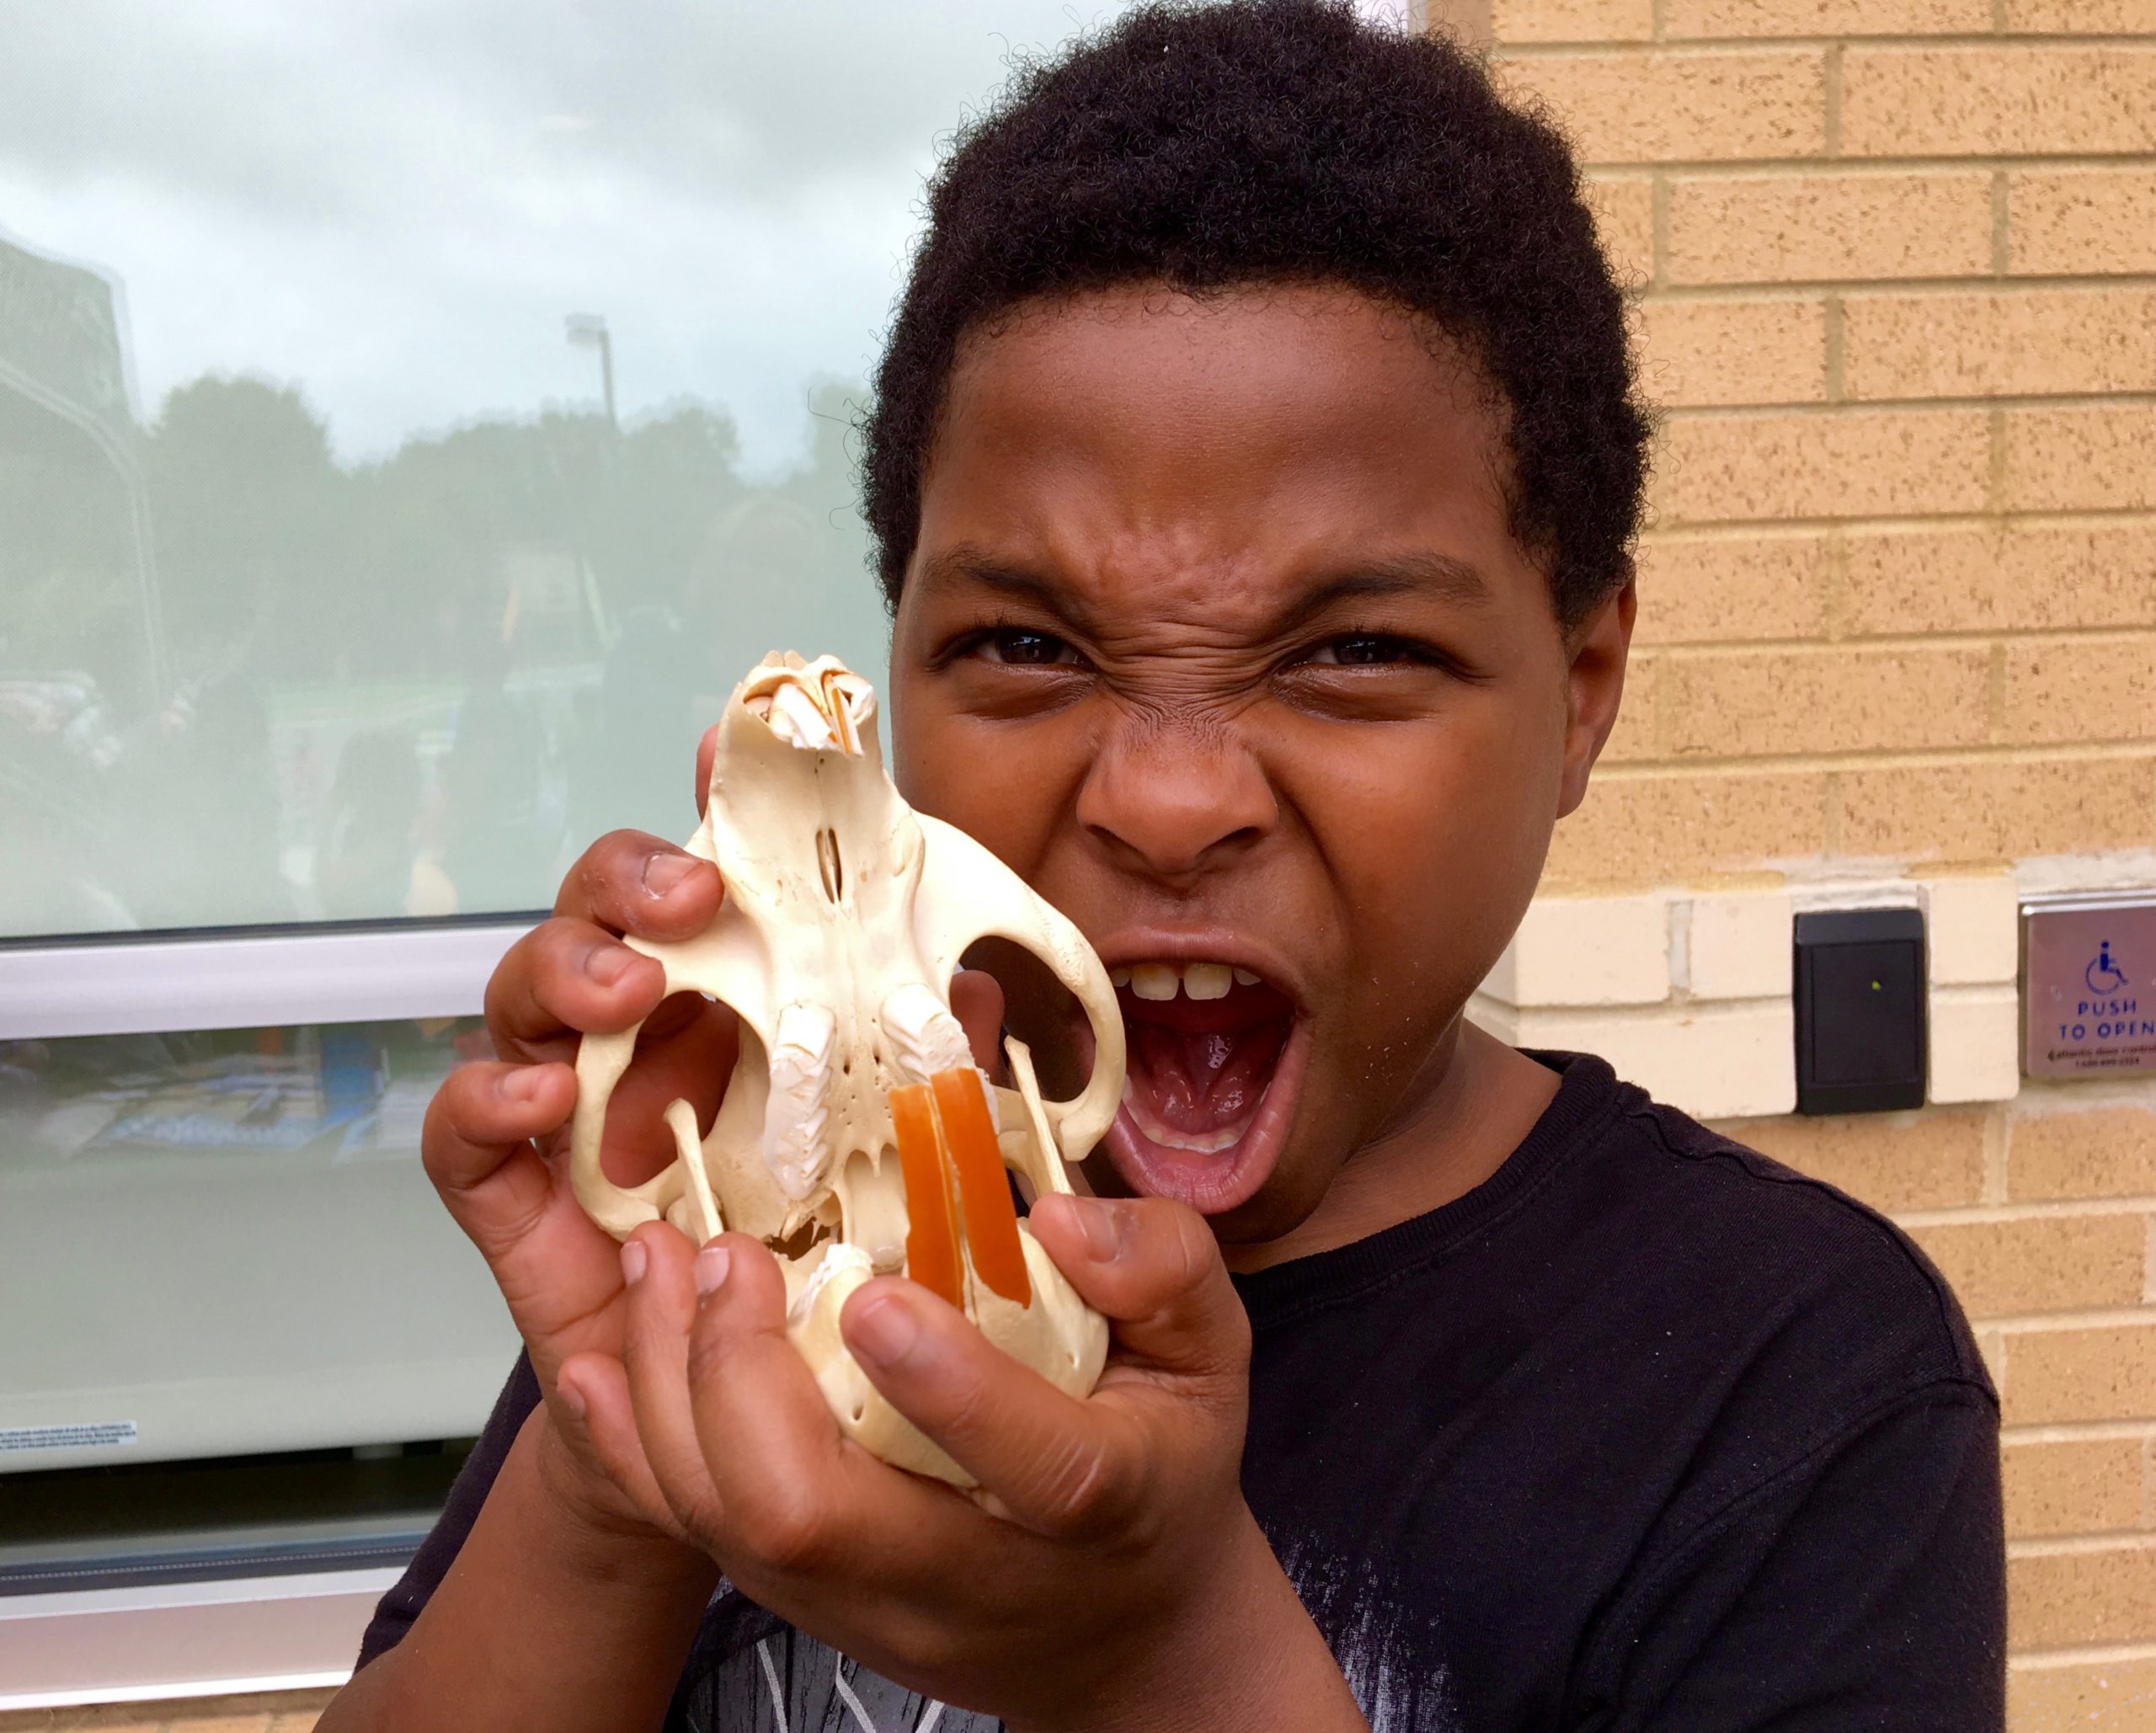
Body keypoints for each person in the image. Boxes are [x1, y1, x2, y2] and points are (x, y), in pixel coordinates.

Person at [321, 5, 2005, 1728]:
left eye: (1353, 651)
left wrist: (1160, 1655)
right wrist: (614, 1452)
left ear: (1578, 693)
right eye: (1027, 647)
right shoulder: (754, 1204)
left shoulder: (1786, 1383)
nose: (1170, 797)